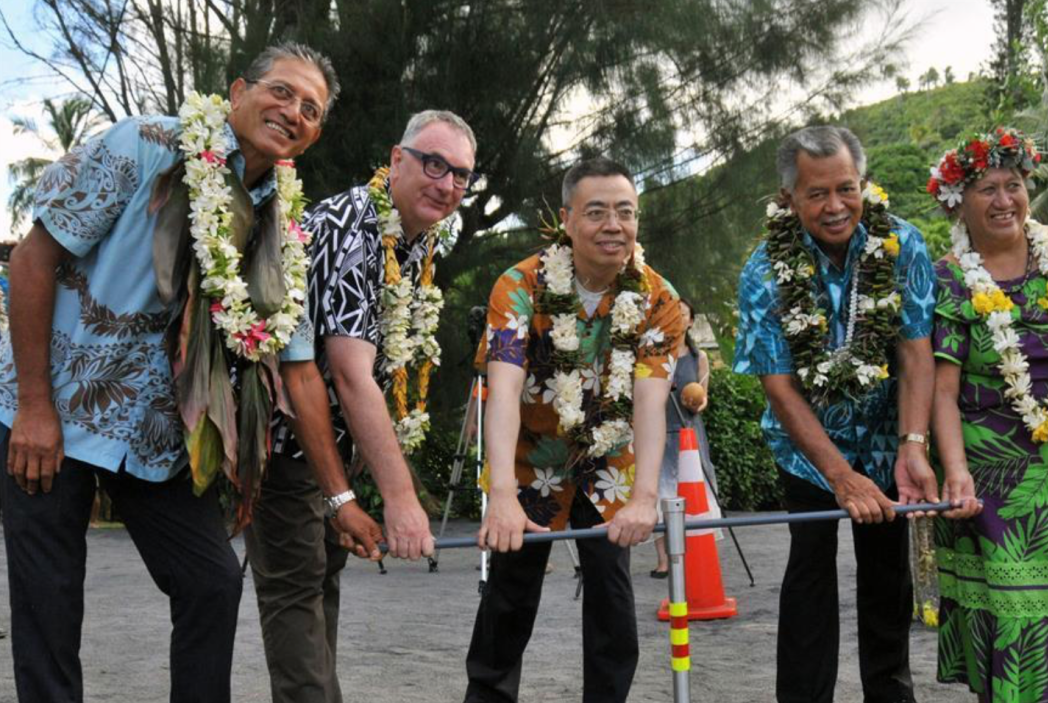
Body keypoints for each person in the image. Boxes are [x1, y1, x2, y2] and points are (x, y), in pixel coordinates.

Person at [0, 43, 384, 703]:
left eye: (311, 110)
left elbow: (298, 377)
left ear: (314, 137)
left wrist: (341, 498)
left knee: (210, 581)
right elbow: (32, 261)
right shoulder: (144, 145)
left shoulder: (281, 232)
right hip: (48, 413)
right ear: (237, 91)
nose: (293, 112)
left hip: (156, 442)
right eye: (282, 92)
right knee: (49, 600)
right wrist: (35, 406)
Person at [246, 109, 477, 703]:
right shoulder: (354, 224)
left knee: (318, 591)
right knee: (298, 601)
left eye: (461, 175)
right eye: (433, 163)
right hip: (285, 444)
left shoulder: (410, 241)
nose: (447, 184)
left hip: (326, 453)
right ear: (395, 160)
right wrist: (400, 502)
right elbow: (350, 375)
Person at [463, 157, 684, 703]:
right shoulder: (518, 284)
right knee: (508, 601)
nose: (614, 225)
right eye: (597, 212)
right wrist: (501, 494)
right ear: (566, 220)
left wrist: (644, 499)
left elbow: (651, 407)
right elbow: (504, 390)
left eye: (625, 212)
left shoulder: (660, 300)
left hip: (609, 467)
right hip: (529, 462)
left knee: (612, 599)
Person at [734, 125, 939, 703]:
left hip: (885, 438)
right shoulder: (762, 271)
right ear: (789, 199)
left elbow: (915, 351)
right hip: (805, 452)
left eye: (845, 189)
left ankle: (891, 694)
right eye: (816, 194)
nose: (834, 207)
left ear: (864, 184)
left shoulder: (904, 243)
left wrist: (913, 444)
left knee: (886, 576)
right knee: (811, 571)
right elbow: (779, 387)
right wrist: (839, 476)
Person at [926, 128, 1048, 702]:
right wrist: (956, 470)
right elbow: (943, 391)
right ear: (958, 201)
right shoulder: (946, 279)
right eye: (986, 188)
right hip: (995, 474)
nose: (1003, 201)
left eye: (1012, 185)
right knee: (1020, 613)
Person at [651, 297, 720, 578]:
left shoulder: (698, 357)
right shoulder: (655, 355)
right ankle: (664, 560)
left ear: (691, 321)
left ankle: (694, 550)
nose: (678, 319)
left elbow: (703, 398)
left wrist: (697, 404)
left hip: (688, 433)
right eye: (673, 313)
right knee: (660, 494)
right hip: (659, 430)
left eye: (683, 315)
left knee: (694, 493)